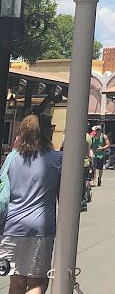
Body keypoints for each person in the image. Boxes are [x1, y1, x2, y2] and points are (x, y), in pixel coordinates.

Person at [0, 114, 63, 293]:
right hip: (40, 228)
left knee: (16, 282)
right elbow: (64, 196)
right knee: (38, 282)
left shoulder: (11, 158)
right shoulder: (57, 159)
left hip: (10, 228)